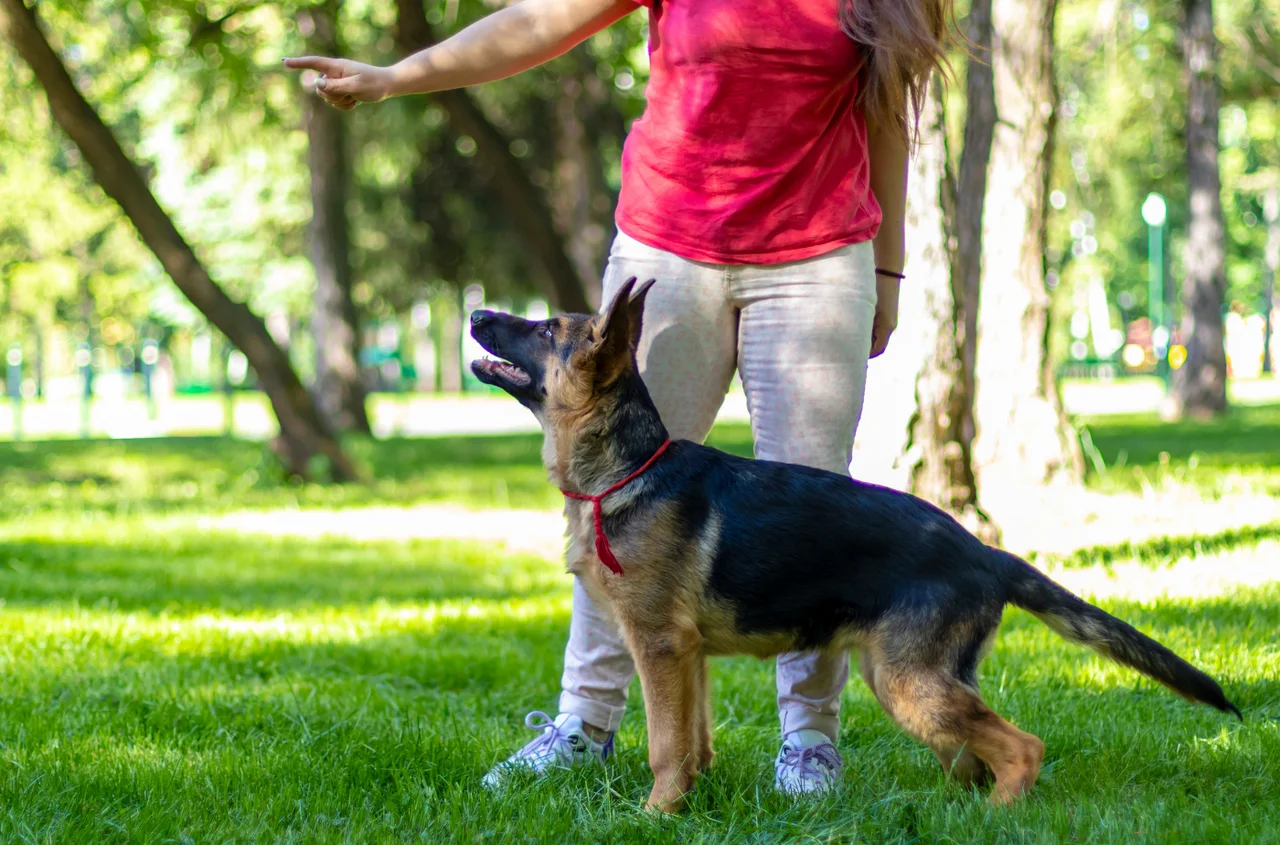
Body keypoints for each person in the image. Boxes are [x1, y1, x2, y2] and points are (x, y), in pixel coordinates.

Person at [286, 0, 952, 795]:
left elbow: (887, 118)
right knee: (614, 501)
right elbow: (538, 20)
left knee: (814, 505)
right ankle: (585, 723)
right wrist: (396, 77)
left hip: (817, 261)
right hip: (669, 257)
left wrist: (886, 271)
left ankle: (808, 739)